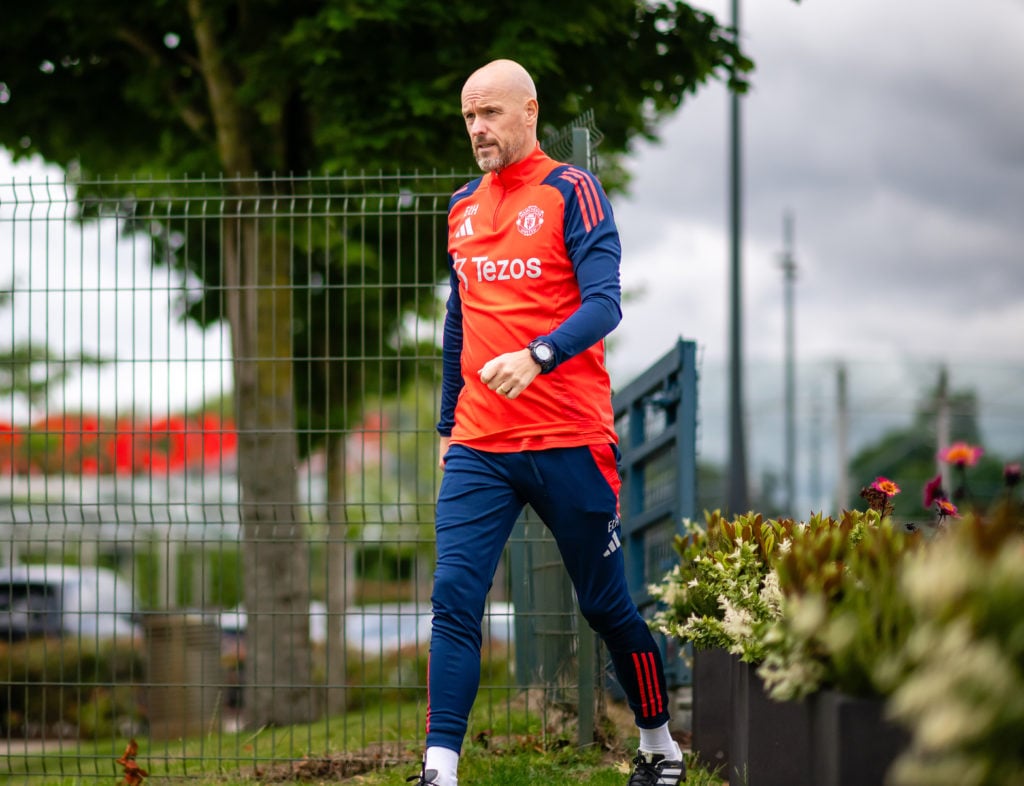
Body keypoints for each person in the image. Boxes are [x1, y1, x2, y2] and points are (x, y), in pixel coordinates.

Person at [410, 59, 685, 786]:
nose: (477, 129)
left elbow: (605, 303)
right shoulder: (462, 206)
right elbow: (458, 322)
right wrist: (447, 426)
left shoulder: (574, 191)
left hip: (570, 436)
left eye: (491, 113)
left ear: (529, 112)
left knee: (606, 606)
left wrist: (540, 354)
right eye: (468, 116)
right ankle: (440, 769)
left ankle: (659, 744)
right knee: (455, 602)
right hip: (480, 443)